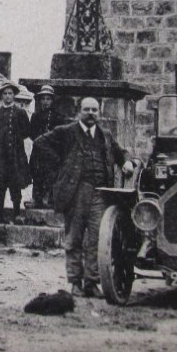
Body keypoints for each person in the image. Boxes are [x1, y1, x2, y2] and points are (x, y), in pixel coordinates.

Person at [39, 96, 126, 297]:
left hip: (101, 194)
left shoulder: (105, 135)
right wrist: (60, 168)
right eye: (87, 109)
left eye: (94, 110)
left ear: (99, 112)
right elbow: (40, 144)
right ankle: (75, 282)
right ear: (79, 111)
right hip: (76, 193)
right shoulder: (67, 132)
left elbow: (121, 153)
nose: (90, 113)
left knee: (97, 239)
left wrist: (127, 162)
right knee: (74, 238)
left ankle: (91, 283)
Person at [0, 81, 31, 222]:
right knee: (0, 186)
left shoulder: (20, 113)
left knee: (15, 185)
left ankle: (17, 214)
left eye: (10, 93)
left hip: (15, 155)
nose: (7, 96)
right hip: (0, 155)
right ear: (1, 96)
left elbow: (25, 133)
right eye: (5, 94)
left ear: (14, 95)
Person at [27, 85, 69, 208]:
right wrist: (40, 140)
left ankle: (49, 199)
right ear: (40, 101)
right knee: (37, 174)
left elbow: (61, 135)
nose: (45, 102)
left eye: (48, 99)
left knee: (51, 175)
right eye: (43, 99)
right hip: (38, 152)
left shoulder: (58, 117)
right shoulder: (35, 116)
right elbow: (31, 133)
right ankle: (36, 199)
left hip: (52, 151)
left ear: (52, 100)